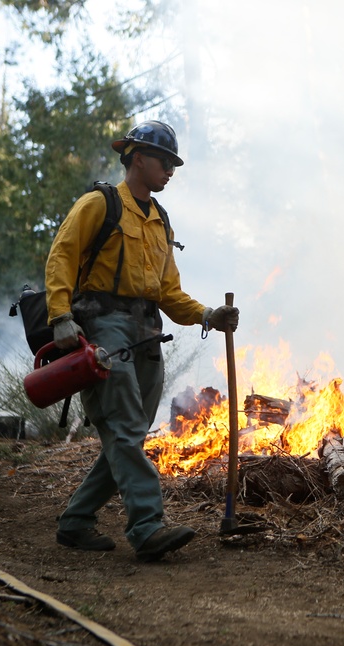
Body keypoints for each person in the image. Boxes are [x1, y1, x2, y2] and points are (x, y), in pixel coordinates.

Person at [44, 120, 239, 562]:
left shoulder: (159, 220)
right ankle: (148, 527)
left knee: (126, 433)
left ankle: (75, 521)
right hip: (101, 326)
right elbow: (62, 255)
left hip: (147, 331)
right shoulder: (100, 204)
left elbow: (168, 292)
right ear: (136, 157)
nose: (169, 170)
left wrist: (207, 315)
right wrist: (60, 316)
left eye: (173, 164)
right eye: (163, 161)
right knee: (126, 427)